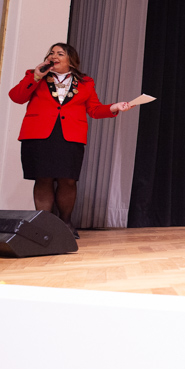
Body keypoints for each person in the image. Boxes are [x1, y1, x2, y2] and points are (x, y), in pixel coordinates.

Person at [8, 43, 132, 239]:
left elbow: (94, 110)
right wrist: (36, 77)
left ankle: (65, 223)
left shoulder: (85, 83)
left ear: (71, 60)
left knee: (68, 180)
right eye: (51, 53)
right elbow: (16, 97)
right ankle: (44, 224)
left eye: (60, 53)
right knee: (43, 179)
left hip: (70, 136)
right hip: (39, 135)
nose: (54, 56)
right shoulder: (35, 75)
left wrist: (114, 107)